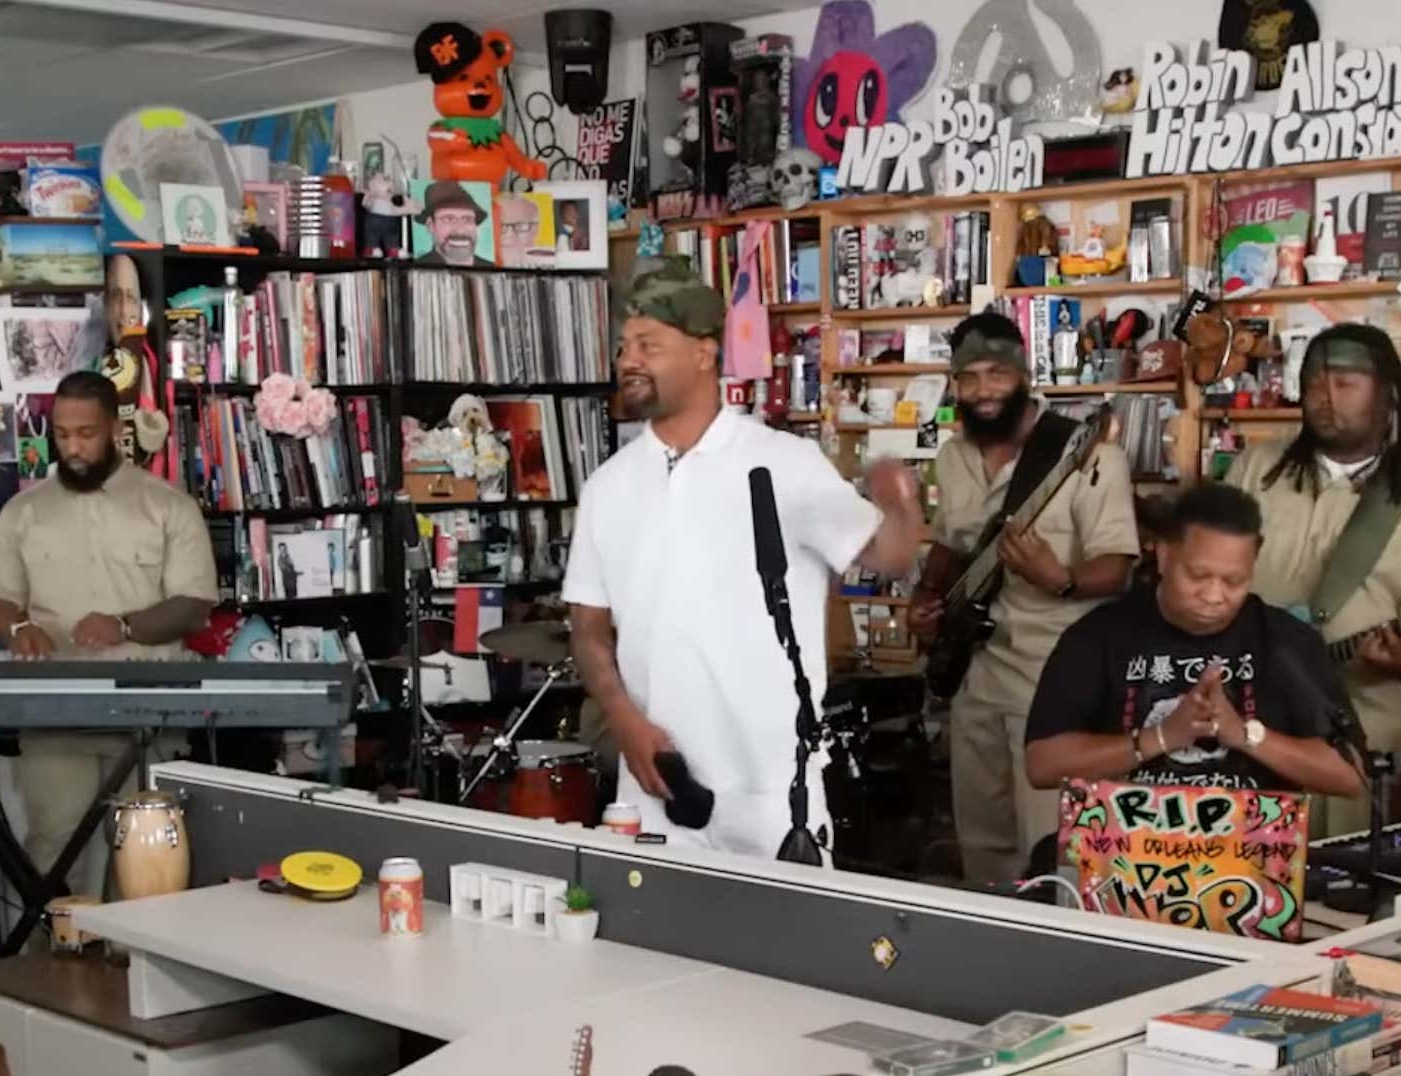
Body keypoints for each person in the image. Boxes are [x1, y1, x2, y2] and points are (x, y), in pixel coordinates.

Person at [566, 257, 927, 858]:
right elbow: (587, 628)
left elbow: (886, 557)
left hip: (772, 796)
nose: (628, 360)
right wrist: (624, 722)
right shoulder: (608, 486)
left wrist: (902, 506)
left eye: (649, 345)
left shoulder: (783, 463)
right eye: (625, 345)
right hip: (656, 789)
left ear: (704, 353)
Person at [1220, 323, 1401, 835]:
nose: (1325, 400)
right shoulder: (1256, 468)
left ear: (1387, 395)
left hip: (1350, 731)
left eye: (1346, 385)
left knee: (1333, 889)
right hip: (1240, 715)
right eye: (1314, 384)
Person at [0, 370, 217, 899]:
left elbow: (195, 605)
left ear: (113, 429)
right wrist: (17, 627)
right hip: (55, 717)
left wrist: (125, 625)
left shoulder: (168, 506)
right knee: (55, 849)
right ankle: (59, 969)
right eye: (62, 434)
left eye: (85, 433)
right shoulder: (24, 511)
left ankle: (134, 971)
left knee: (145, 859)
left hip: (149, 714)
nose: (73, 446)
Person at [922, 312, 1138, 887]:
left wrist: (1058, 577)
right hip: (975, 674)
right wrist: (927, 597)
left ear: (1023, 375)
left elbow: (1117, 570)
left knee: (1050, 846)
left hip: (1052, 679)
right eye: (969, 378)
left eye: (996, 374)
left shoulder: (1088, 456)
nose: (983, 391)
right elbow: (949, 543)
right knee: (983, 842)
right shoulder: (952, 456)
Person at [1024, 482, 1364, 800]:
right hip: (1126, 847)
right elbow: (1042, 764)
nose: (1214, 595)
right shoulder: (1099, 635)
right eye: (1198, 576)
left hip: (1250, 852)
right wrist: (1161, 737)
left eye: (1234, 581)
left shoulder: (1285, 641)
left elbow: (1352, 776)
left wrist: (1245, 735)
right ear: (1164, 555)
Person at [416, 181, 486, 266]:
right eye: (448, 219)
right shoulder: (416, 268)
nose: (460, 230)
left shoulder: (492, 268)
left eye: (467, 219)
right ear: (430, 225)